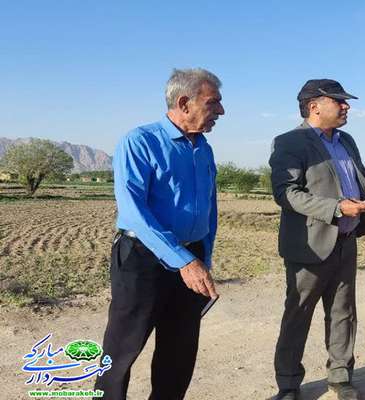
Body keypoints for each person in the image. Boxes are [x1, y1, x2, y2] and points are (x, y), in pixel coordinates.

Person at [94, 68, 224, 400]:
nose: (221, 112)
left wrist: (202, 258)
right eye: (213, 103)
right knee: (122, 350)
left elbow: (209, 207)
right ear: (184, 102)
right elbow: (134, 212)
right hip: (142, 258)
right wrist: (184, 261)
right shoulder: (140, 142)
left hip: (190, 257)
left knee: (179, 352)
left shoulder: (203, 148)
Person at [269, 79, 365, 400]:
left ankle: (341, 377)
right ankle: (288, 384)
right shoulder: (290, 142)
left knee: (343, 312)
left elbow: (363, 177)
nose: (346, 106)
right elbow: (286, 194)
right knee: (298, 314)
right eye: (338, 101)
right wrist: (336, 207)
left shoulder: (347, 141)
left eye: (345, 101)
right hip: (309, 244)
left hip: (346, 240)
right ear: (315, 106)